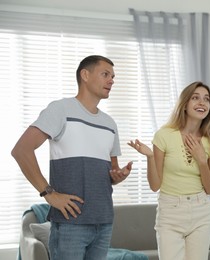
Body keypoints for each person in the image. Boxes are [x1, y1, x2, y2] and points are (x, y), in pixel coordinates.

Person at [11, 55, 132, 260]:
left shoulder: (110, 124)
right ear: (85, 75)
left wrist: (117, 176)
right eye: (105, 74)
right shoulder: (60, 109)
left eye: (113, 76)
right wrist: (48, 193)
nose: (111, 80)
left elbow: (112, 170)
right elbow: (21, 150)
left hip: (103, 221)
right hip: (70, 224)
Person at [128, 81, 210, 260]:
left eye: (206, 99)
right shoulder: (164, 136)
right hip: (170, 212)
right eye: (195, 98)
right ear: (185, 104)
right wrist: (150, 157)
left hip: (201, 210)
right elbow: (155, 185)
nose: (202, 103)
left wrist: (202, 160)